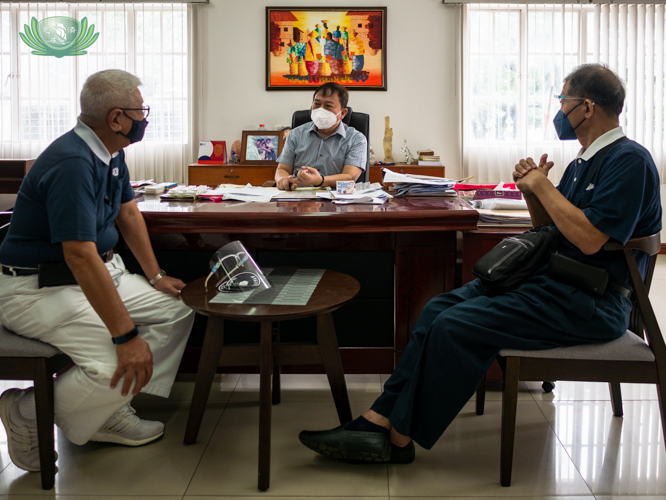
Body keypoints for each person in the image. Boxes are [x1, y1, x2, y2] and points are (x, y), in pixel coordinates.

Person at [298, 63, 662, 464]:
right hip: (554, 284)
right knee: (437, 307)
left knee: (456, 326)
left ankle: (397, 436)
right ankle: (379, 419)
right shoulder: (581, 162)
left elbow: (591, 240)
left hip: (593, 302)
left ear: (587, 107)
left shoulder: (629, 161)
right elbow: (554, 230)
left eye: (563, 101)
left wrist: (542, 186)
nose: (559, 110)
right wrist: (532, 193)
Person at [0, 69, 195, 473]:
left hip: (98, 274)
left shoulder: (110, 151)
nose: (145, 117)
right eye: (141, 110)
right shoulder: (73, 162)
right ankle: (24, 411)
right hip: (39, 289)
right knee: (114, 361)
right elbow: (79, 256)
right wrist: (125, 336)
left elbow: (127, 211)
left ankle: (107, 406)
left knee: (177, 309)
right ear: (116, 118)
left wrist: (156, 277)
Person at [275, 82, 367, 191]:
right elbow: (282, 169)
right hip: (298, 198)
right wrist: (283, 180)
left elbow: (350, 177)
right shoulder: (296, 134)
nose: (321, 109)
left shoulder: (356, 139)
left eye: (328, 105)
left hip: (336, 201)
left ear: (343, 113)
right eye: (317, 104)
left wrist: (320, 181)